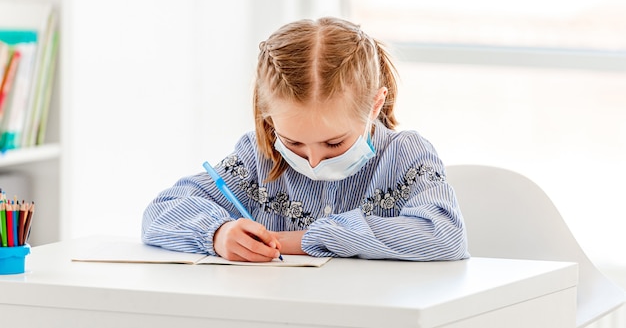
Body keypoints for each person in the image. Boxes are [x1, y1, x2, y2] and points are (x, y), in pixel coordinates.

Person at [141, 17, 469, 262]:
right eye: (295, 143)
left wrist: (308, 238)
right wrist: (218, 234)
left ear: (375, 105)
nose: (312, 161)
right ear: (269, 119)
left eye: (334, 143)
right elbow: (161, 212)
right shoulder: (259, 156)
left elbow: (445, 235)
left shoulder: (405, 155)